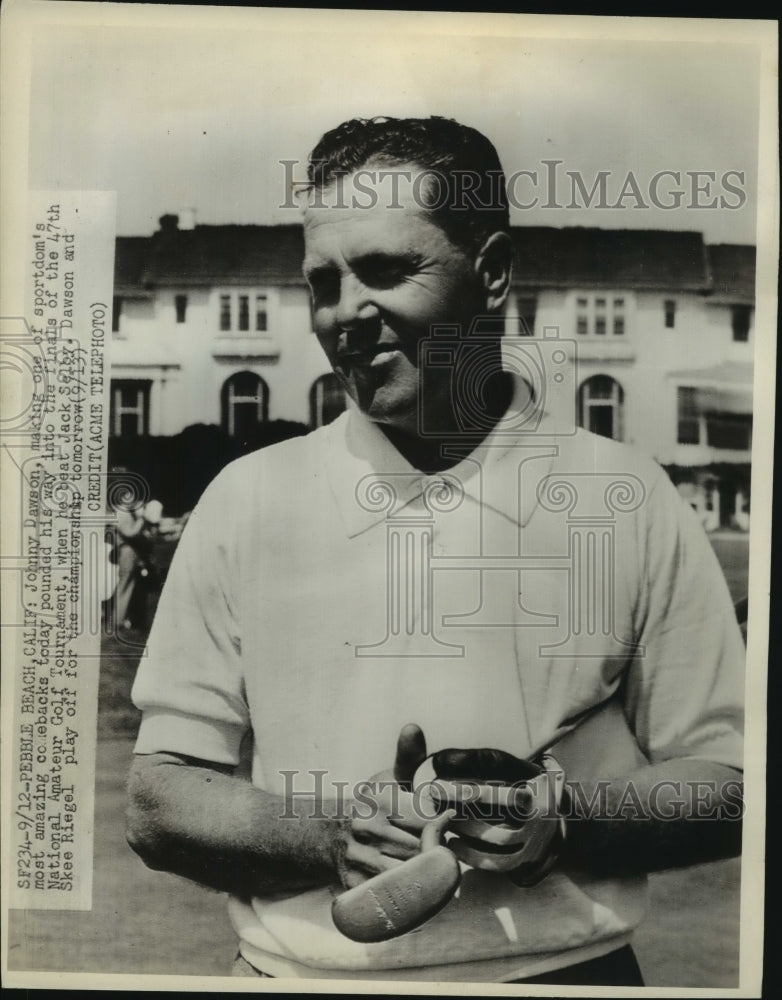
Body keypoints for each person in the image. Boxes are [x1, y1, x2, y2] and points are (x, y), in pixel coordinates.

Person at [126, 117, 744, 984]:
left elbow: (730, 781)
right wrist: (327, 835)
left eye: (386, 271)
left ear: (491, 273)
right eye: (324, 283)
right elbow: (159, 799)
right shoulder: (246, 498)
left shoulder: (625, 493)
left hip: (565, 975)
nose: (346, 313)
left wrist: (563, 820)